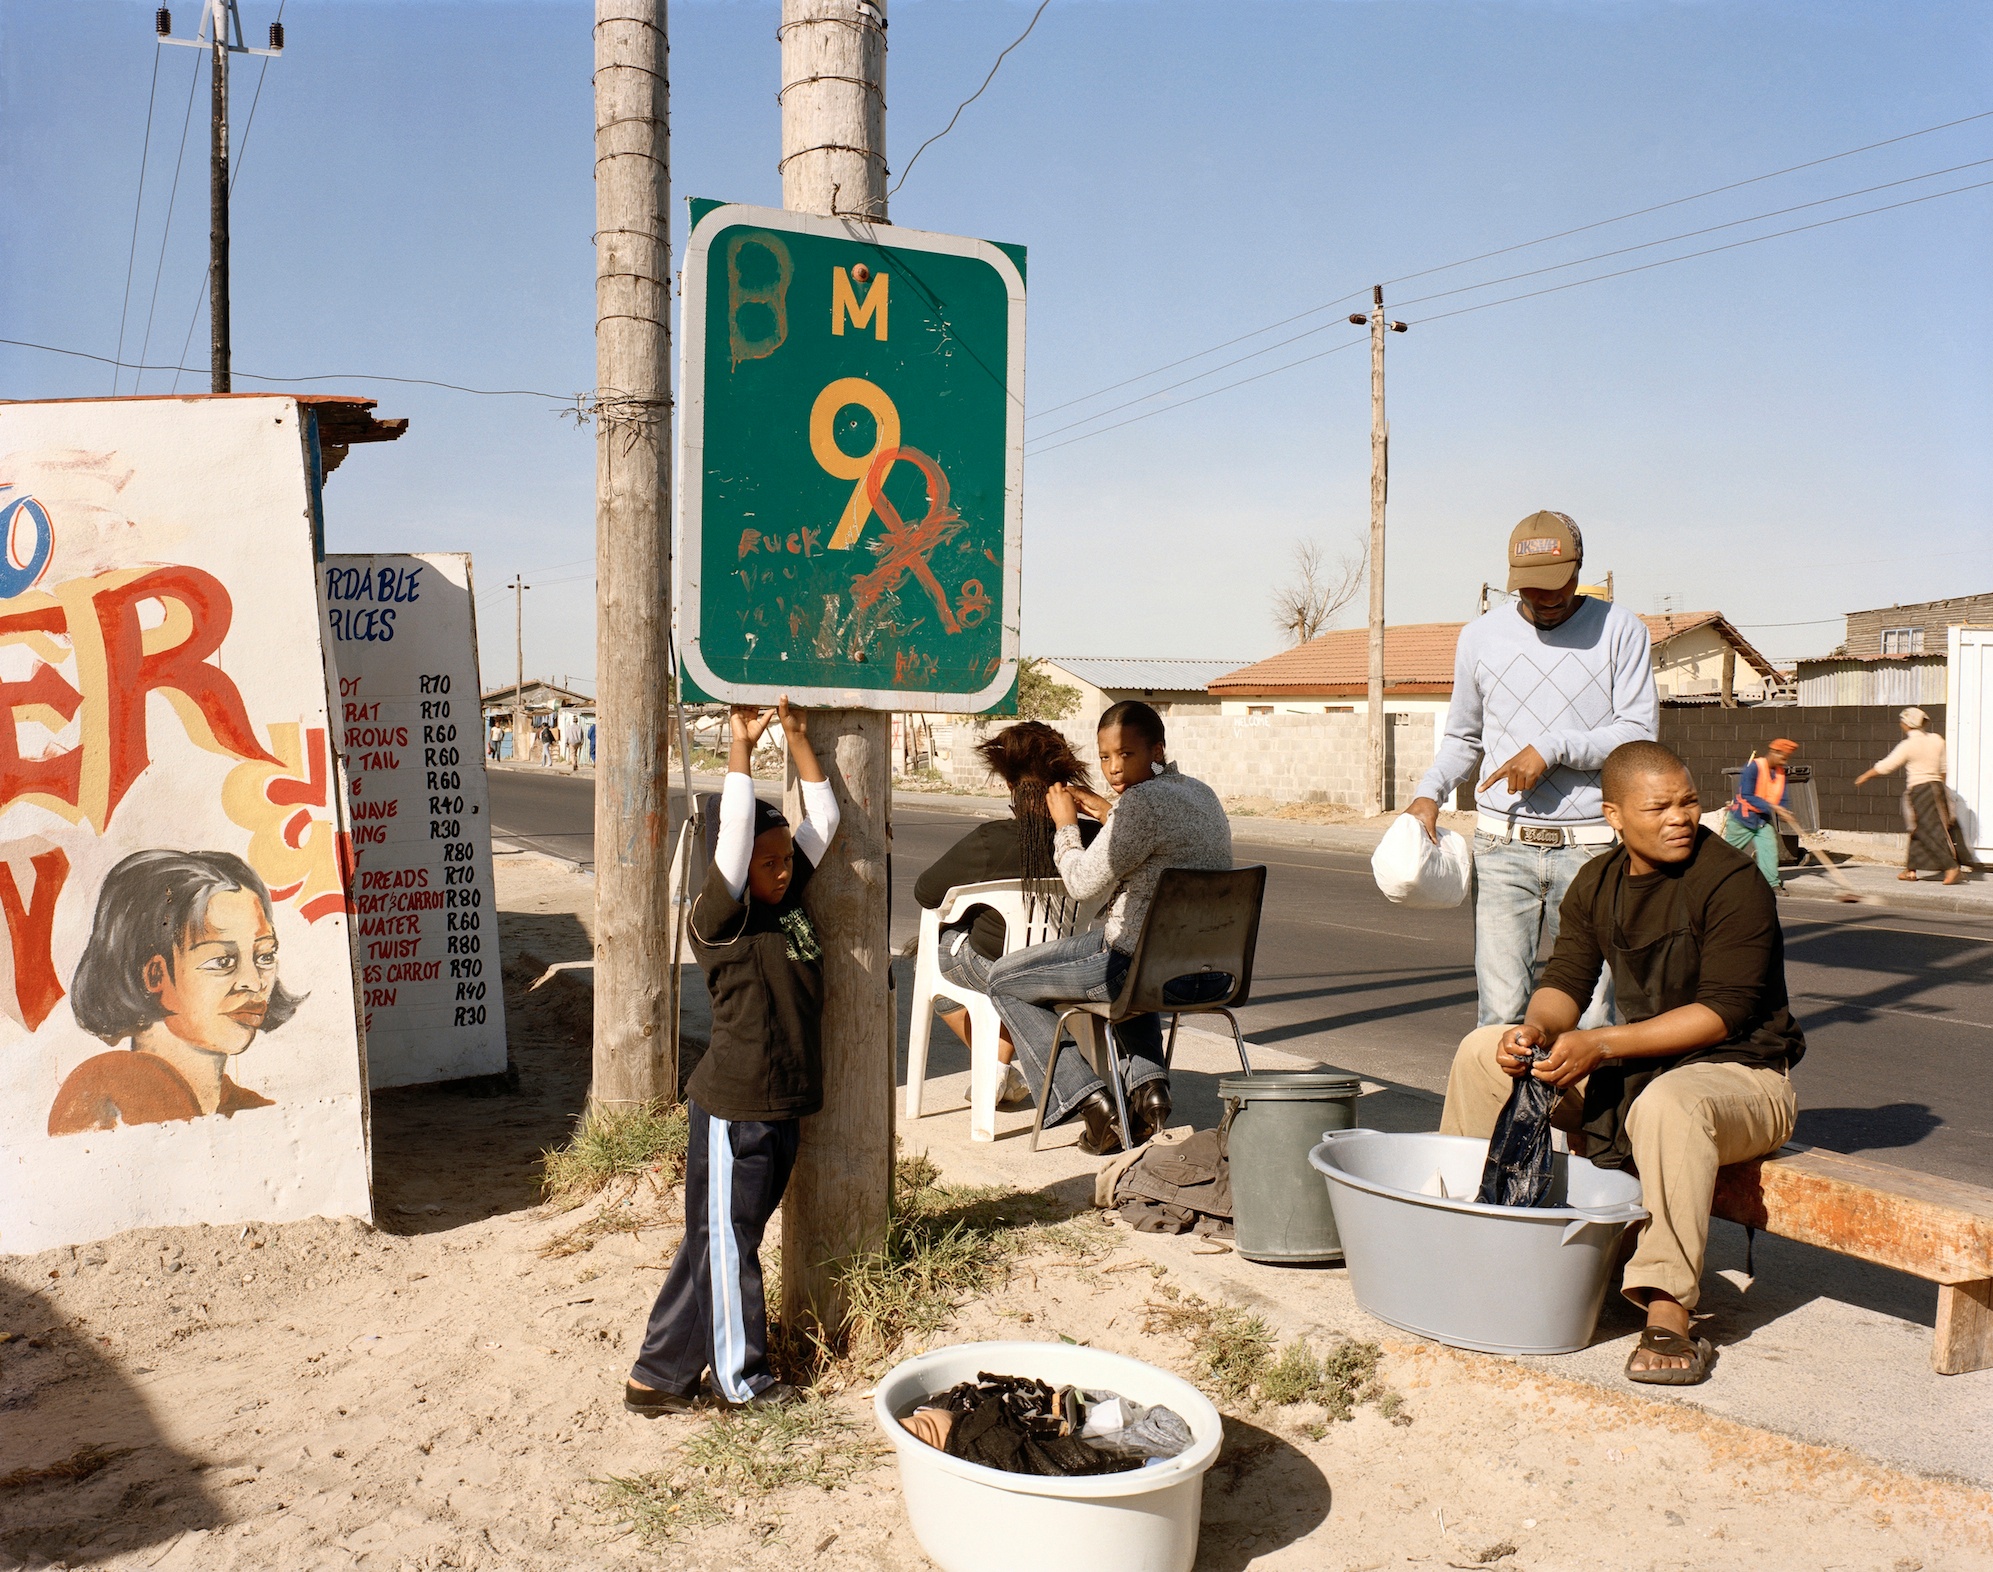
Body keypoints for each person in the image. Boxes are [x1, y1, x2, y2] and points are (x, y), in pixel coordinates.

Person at [1439, 740, 1802, 1387]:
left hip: (1745, 1080)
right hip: (1642, 1077)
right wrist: (1535, 1028)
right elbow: (1565, 981)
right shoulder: (1598, 882)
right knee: (1480, 1052)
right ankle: (1471, 1242)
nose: (1679, 818)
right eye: (1658, 807)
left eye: (1688, 802)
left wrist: (1600, 1044)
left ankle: (1668, 1312)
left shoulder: (1731, 881)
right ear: (1614, 816)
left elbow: (1720, 1014)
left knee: (1672, 1103)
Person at [625, 698, 837, 1416]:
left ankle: (657, 1375)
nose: (780, 872)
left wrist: (800, 744)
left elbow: (823, 824)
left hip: (781, 1102)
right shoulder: (719, 916)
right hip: (735, 1107)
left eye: (784, 862)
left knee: (720, 1239)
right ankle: (741, 1381)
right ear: (732, 865)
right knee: (729, 1245)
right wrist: (742, 752)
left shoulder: (783, 897)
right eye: (765, 863)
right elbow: (736, 834)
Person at [1405, 511, 1658, 1028]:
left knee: (1589, 1022)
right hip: (1502, 848)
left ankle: (1583, 1114)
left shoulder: (1620, 630)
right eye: (1528, 589)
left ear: (1578, 568)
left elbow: (1639, 734)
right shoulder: (1478, 637)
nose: (1542, 600)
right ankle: (1504, 1112)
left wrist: (1553, 747)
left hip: (1591, 850)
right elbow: (1462, 736)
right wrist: (1429, 791)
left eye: (1554, 587)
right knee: (1498, 1017)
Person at [986, 701, 1232, 1156]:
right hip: (1208, 972)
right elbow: (1156, 835)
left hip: (1139, 969)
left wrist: (1065, 825)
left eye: (1127, 755)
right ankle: (1149, 1090)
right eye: (1104, 757)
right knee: (1135, 960)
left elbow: (1081, 884)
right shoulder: (1202, 793)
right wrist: (1110, 812)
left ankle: (1091, 1103)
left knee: (1002, 979)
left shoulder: (1137, 805)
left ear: (1157, 748)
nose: (1114, 769)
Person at [49, 850, 304, 1136]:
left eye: (265, 956)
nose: (254, 982)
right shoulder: (102, 1093)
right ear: (154, 975)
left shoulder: (249, 1108)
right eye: (222, 961)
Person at [913, 722, 1101, 1109]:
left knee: (930, 949)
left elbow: (926, 893)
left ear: (1012, 786)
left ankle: (996, 1065)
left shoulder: (991, 839)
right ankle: (1001, 1066)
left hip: (998, 969)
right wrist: (1099, 808)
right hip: (1066, 967)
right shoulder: (1094, 838)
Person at [1856, 707, 1969, 885]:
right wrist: (1941, 790)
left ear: (1907, 724)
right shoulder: (1937, 740)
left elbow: (1887, 766)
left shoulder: (1908, 745)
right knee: (1918, 828)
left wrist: (1865, 776)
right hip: (1936, 787)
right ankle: (1911, 870)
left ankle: (1951, 868)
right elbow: (1943, 769)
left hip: (1920, 791)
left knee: (1926, 831)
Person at [1721, 737, 1800, 891]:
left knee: (1769, 850)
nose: (1784, 762)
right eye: (1782, 757)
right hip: (1741, 819)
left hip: (1762, 821)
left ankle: (1772, 884)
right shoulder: (1754, 767)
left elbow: (1782, 798)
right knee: (1729, 853)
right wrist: (1773, 807)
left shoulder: (1780, 773)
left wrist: (1785, 812)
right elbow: (1746, 795)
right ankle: (1715, 877)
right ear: (1774, 752)